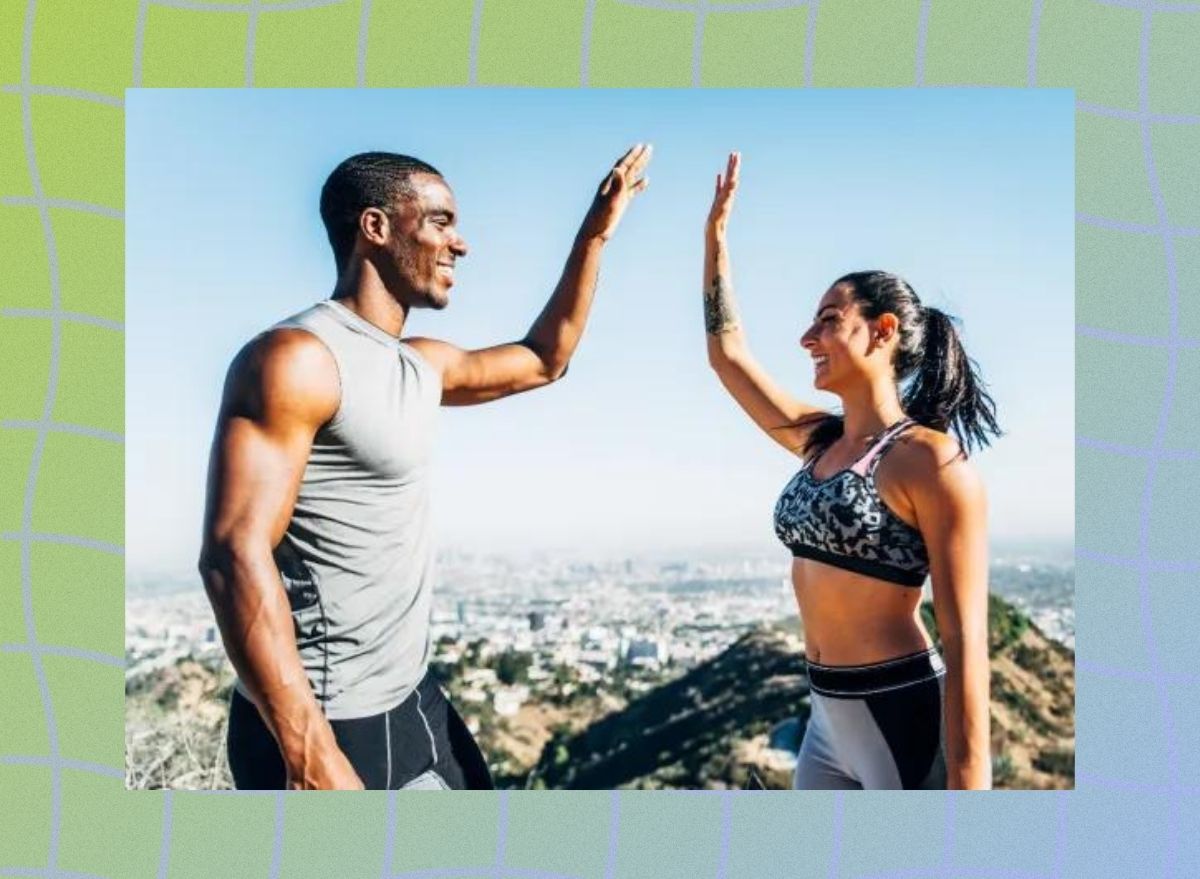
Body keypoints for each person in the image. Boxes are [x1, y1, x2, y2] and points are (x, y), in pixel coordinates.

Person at [198, 145, 652, 790]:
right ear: (376, 228)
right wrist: (307, 753)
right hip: (330, 719)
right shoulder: (297, 359)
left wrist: (596, 232)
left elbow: (544, 358)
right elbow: (232, 552)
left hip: (412, 694)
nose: (459, 243)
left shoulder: (418, 364)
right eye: (439, 221)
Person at [702, 153, 998, 790]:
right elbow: (727, 356)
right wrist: (716, 242)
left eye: (829, 320)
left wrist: (973, 792)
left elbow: (966, 642)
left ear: (883, 330)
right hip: (825, 715)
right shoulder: (819, 440)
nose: (808, 337)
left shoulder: (932, 462)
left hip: (901, 714)